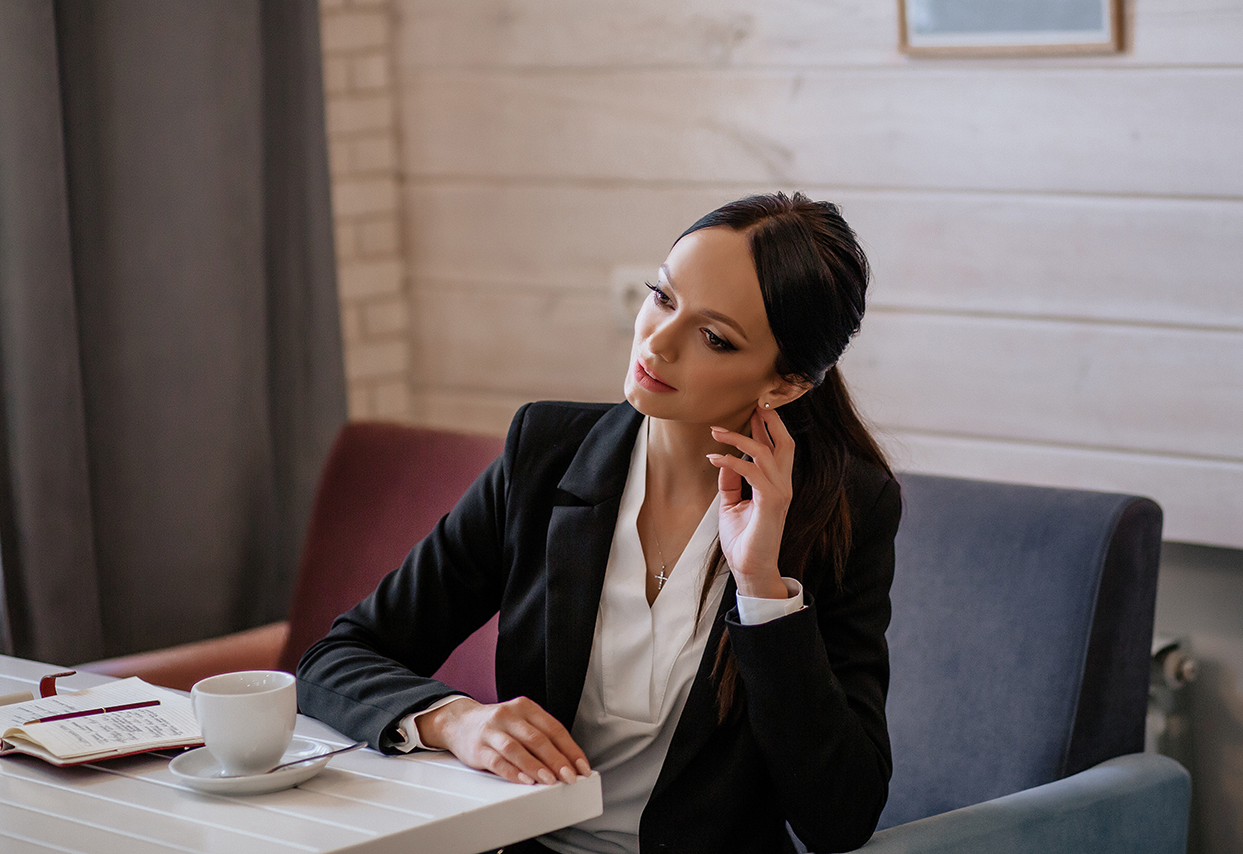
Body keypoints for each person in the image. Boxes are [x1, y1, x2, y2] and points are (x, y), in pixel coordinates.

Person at [297, 192, 901, 854]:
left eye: (714, 337)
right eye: (663, 297)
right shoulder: (544, 452)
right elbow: (336, 659)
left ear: (783, 386)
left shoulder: (845, 509)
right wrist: (455, 720)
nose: (658, 341)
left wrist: (762, 589)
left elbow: (840, 817)